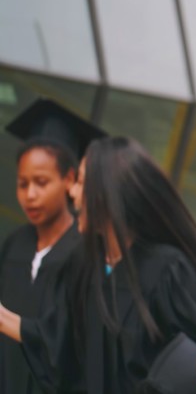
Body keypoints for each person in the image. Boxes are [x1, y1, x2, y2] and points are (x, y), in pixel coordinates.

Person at [0, 136, 196, 393]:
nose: (72, 192)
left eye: (80, 181)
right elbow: (57, 342)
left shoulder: (165, 271)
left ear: (105, 192)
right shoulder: (85, 266)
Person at [0, 98, 104, 394]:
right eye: (22, 184)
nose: (30, 195)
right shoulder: (15, 245)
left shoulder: (87, 252)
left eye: (41, 182)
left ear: (69, 179)